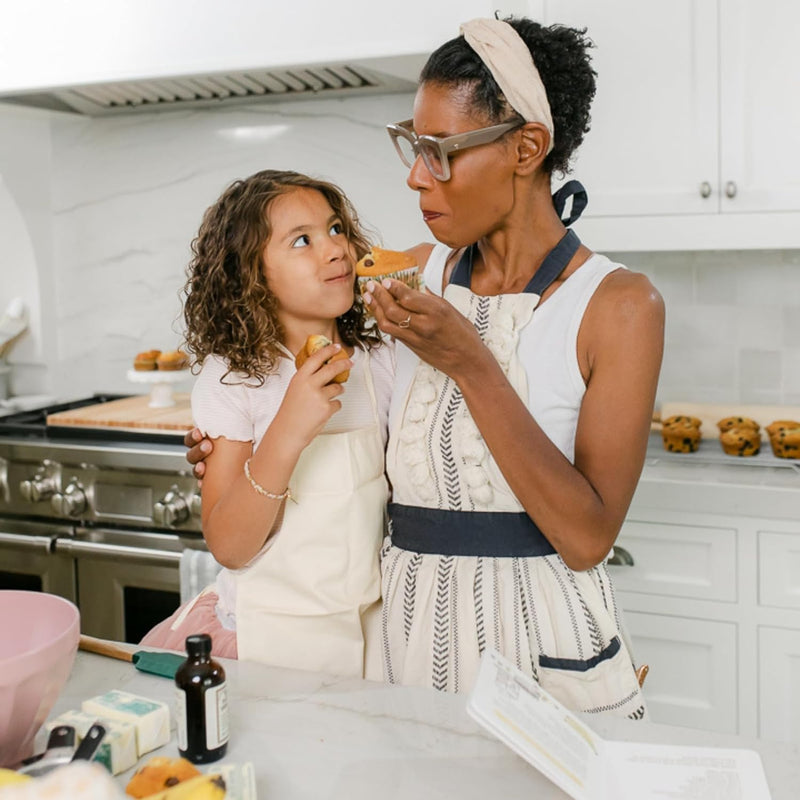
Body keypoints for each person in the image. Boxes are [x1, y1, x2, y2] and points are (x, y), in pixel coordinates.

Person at [185, 16, 665, 719]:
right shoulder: (412, 277)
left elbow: (589, 538)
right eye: (413, 146)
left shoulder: (620, 306)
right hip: (399, 638)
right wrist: (237, 444)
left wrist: (470, 365)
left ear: (527, 148)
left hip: (538, 641)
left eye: (439, 151)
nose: (415, 176)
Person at [141, 170, 394, 680]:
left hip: (369, 637)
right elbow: (231, 547)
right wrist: (288, 429)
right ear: (251, 276)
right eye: (302, 240)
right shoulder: (233, 379)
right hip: (267, 643)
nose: (335, 250)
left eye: (336, 229)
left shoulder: (381, 362)